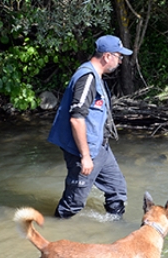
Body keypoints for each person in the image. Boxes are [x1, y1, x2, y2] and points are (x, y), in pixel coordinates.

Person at [47, 35, 132, 219]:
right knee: (72, 204)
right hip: (84, 151)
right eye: (119, 56)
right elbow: (76, 119)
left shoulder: (97, 76)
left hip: (100, 147)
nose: (120, 61)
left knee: (117, 190)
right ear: (107, 56)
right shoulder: (87, 78)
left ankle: (115, 231)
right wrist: (85, 156)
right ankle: (54, 233)